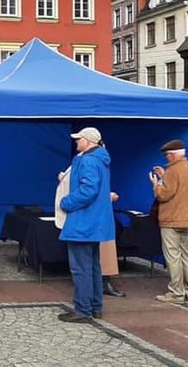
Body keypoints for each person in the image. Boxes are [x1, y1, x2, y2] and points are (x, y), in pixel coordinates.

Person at [58, 127, 115, 323]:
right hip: (96, 223)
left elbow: (88, 190)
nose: (76, 142)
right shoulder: (101, 159)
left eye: (79, 139)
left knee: (80, 268)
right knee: (93, 267)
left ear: (88, 141)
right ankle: (96, 307)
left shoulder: (88, 160)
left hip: (83, 223)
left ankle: (83, 309)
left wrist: (66, 202)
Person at [149, 139, 188, 304]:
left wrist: (156, 185)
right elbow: (181, 189)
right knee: (186, 255)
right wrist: (164, 176)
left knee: (173, 256)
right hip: (186, 219)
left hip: (171, 219)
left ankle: (176, 292)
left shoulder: (173, 171)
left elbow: (164, 194)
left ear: (172, 155)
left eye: (167, 155)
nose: (166, 158)